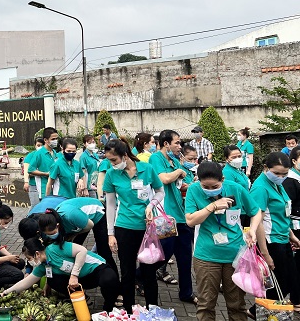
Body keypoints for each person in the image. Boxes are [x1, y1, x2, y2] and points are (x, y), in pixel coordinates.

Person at [185, 161, 261, 321]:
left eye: (215, 186)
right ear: (198, 180)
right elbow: (190, 221)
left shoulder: (236, 189)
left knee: (237, 305)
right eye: (206, 186)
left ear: (223, 179)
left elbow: (256, 211)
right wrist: (212, 206)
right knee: (206, 305)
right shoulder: (193, 190)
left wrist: (252, 230)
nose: (211, 190)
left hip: (235, 256)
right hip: (206, 256)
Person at [103, 138, 165, 313]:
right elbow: (110, 205)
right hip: (124, 228)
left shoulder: (147, 169)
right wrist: (110, 233)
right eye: (109, 160)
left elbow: (160, 191)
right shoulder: (111, 174)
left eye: (114, 160)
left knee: (149, 273)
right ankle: (129, 311)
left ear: (124, 155)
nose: (112, 164)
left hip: (147, 229)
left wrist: (150, 205)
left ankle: (152, 310)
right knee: (127, 272)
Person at [3, 237, 119, 311]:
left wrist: (74, 274)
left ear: (37, 254)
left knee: (109, 279)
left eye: (29, 258)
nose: (29, 262)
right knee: (52, 280)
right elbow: (25, 283)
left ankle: (108, 307)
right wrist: (6, 293)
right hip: (79, 280)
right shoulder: (43, 266)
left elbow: (81, 251)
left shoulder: (56, 248)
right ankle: (82, 298)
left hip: (95, 269)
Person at [149, 130, 196, 304]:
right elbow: (163, 179)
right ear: (166, 143)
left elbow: (179, 184)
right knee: (164, 253)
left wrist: (188, 186)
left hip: (181, 215)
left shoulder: (175, 161)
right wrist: (178, 173)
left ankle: (187, 292)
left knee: (185, 256)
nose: (179, 146)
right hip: (165, 216)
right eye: (176, 143)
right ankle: (140, 275)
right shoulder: (156, 159)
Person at [251, 152, 300, 317]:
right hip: (271, 242)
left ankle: (259, 312)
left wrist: (291, 235)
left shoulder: (276, 185)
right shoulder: (261, 187)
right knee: (278, 284)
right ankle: (261, 313)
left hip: (282, 238)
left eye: (284, 174)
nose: (281, 177)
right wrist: (266, 254)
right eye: (277, 173)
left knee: (289, 281)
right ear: (266, 168)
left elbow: (281, 215)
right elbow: (257, 222)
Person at [38, 198, 118, 278]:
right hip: (79, 220)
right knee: (71, 249)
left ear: (58, 225)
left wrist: (74, 235)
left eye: (52, 233)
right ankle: (79, 274)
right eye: (47, 234)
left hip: (97, 213)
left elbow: (90, 225)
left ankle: (114, 279)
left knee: (103, 251)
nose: (51, 235)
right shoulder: (49, 222)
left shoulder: (70, 216)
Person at [285, 147, 300, 311]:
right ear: (294, 161)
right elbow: (287, 208)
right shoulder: (290, 180)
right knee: (296, 265)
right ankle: (295, 299)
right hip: (294, 228)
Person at [27, 128, 59, 203]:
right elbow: (30, 170)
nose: (55, 141)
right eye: (53, 139)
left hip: (55, 190)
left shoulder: (54, 152)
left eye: (56, 138)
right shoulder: (39, 153)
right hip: (44, 190)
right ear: (45, 140)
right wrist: (45, 174)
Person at [23, 137, 44, 207]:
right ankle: (29, 217)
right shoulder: (30, 156)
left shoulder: (47, 155)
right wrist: (26, 182)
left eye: (42, 145)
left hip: (45, 185)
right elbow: (26, 170)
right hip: (33, 185)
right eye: (38, 145)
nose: (40, 147)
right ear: (35, 145)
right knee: (35, 206)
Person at [79, 134, 102, 199]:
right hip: (89, 186)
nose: (92, 144)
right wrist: (85, 188)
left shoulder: (95, 155)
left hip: (97, 184)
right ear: (84, 144)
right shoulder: (83, 157)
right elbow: (83, 173)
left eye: (93, 142)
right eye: (89, 143)